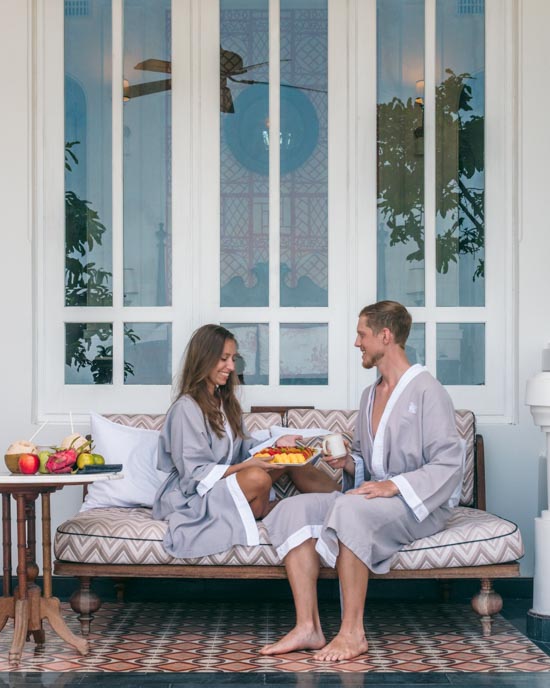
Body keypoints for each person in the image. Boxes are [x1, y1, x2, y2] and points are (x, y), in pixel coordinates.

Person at [260, 301, 464, 661]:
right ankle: (308, 627)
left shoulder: (428, 391)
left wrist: (395, 486)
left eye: (362, 334)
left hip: (420, 505)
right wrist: (349, 464)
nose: (357, 343)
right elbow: (372, 466)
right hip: (376, 500)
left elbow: (448, 464)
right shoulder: (370, 394)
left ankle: (353, 633)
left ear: (385, 336)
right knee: (294, 509)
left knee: (352, 510)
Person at [153, 324, 336, 560]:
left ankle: (343, 500)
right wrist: (248, 467)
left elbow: (244, 449)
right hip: (194, 496)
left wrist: (277, 445)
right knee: (257, 476)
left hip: (225, 485)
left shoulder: (225, 403)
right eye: (224, 359)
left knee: (288, 459)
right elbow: (194, 474)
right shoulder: (186, 409)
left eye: (233, 359)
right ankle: (261, 510)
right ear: (204, 359)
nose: (231, 367)